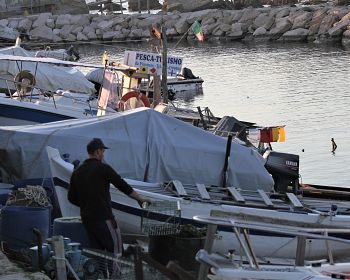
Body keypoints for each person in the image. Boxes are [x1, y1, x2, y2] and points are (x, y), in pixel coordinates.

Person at [68, 138, 150, 257]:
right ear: (97, 152)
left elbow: (71, 198)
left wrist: (87, 205)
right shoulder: (103, 168)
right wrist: (140, 199)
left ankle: (100, 275)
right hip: (104, 218)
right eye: (102, 151)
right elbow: (122, 185)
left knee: (97, 253)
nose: (103, 154)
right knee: (117, 252)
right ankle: (116, 275)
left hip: (87, 219)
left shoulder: (77, 172)